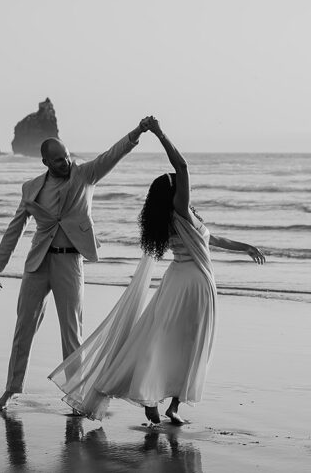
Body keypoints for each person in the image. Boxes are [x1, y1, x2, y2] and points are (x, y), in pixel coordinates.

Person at [49, 116, 265, 425]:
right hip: (194, 284)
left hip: (183, 281)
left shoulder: (180, 218)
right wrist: (161, 134)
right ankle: (160, 402)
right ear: (174, 193)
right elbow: (183, 167)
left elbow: (213, 238)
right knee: (187, 343)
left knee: (164, 339)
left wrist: (245, 247)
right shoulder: (180, 210)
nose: (185, 188)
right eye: (180, 188)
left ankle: (165, 404)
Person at [0, 117, 153, 411]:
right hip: (37, 264)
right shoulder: (31, 188)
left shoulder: (84, 175)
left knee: (72, 332)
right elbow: (16, 226)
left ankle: (77, 396)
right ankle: (11, 389)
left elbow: (111, 155)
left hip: (70, 262)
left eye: (66, 157)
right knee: (24, 326)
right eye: (57, 160)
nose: (64, 163)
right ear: (45, 162)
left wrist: (137, 132)